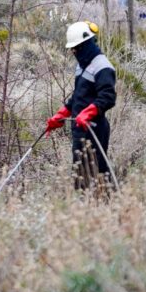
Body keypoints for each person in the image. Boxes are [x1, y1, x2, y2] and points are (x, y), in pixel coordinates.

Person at [45, 21, 117, 189]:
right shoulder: (81, 66)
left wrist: (89, 112)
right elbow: (78, 96)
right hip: (79, 129)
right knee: (80, 176)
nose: (74, 52)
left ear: (87, 44)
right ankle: (82, 208)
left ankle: (105, 207)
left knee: (97, 173)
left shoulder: (103, 66)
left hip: (95, 129)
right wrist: (62, 114)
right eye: (72, 49)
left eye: (77, 48)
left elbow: (108, 97)